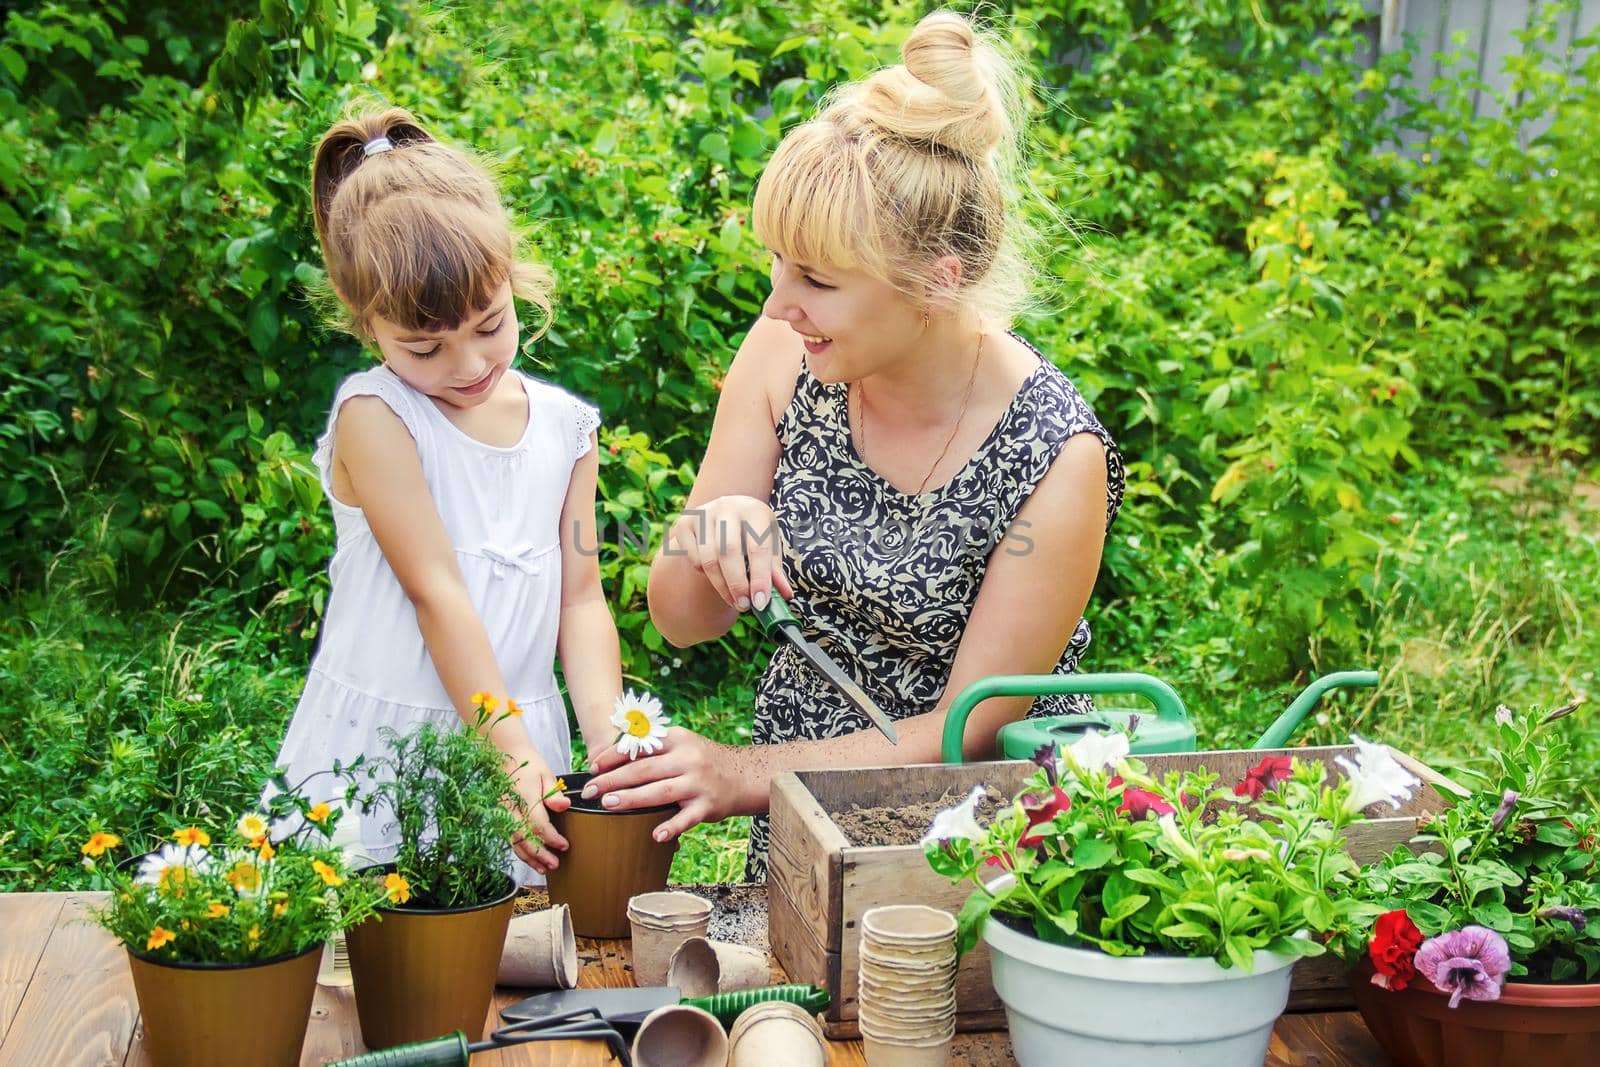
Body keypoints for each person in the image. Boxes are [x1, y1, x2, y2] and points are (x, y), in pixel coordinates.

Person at [583, 11, 1126, 880]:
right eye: (778, 266)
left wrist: (738, 772)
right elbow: (681, 619)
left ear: (936, 282)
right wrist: (717, 525)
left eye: (817, 281)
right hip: (804, 821)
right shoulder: (785, 357)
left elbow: (967, 729)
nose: (776, 306)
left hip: (987, 845)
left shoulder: (1056, 453)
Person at [271, 107, 622, 882]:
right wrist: (508, 749)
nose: (468, 363)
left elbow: (581, 597)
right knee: (362, 951)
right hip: (389, 748)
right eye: (425, 346)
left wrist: (607, 736)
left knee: (514, 959)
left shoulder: (565, 428)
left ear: (510, 280)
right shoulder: (379, 417)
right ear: (367, 323)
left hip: (521, 750)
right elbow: (438, 594)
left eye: (491, 324)